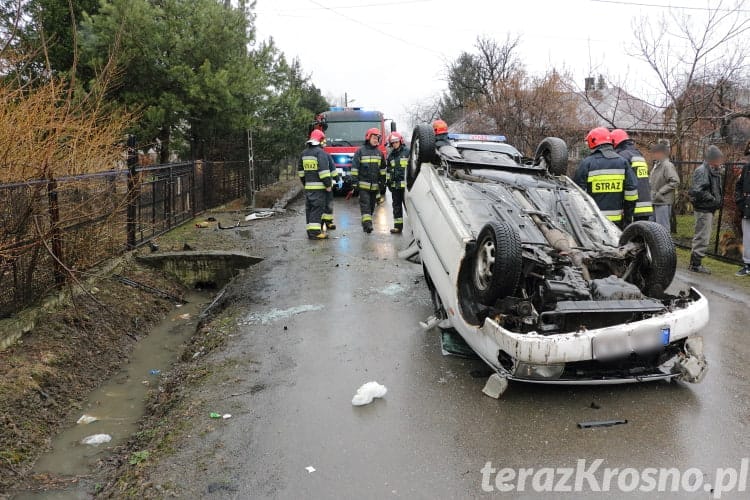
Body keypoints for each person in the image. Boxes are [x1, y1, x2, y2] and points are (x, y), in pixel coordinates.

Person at [573, 127, 638, 228]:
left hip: (593, 222)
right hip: (617, 222)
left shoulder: (587, 163)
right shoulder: (623, 162)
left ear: (593, 141)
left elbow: (577, 193)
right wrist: (627, 219)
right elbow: (631, 193)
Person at [688, 145, 724, 274]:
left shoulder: (713, 170)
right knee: (702, 237)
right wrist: (713, 199)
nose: (720, 161)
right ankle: (695, 265)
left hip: (708, 208)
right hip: (704, 209)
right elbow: (697, 190)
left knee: (703, 236)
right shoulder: (703, 170)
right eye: (718, 158)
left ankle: (695, 263)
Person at [612, 129, 653, 221]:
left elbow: (624, 181)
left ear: (615, 142)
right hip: (645, 205)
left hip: (633, 206)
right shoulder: (638, 154)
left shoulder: (622, 156)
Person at [298, 129, 332, 240]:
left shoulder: (304, 153)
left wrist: (306, 183)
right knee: (317, 209)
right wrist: (328, 185)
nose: (324, 142)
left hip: (309, 188)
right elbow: (323, 171)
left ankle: (310, 231)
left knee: (310, 209)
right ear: (319, 140)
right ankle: (315, 233)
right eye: (323, 140)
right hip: (319, 188)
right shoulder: (320, 153)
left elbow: (301, 172)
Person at [351, 127, 386, 233]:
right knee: (365, 205)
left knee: (371, 207)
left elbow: (383, 170)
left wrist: (382, 183)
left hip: (374, 187)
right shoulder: (360, 152)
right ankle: (368, 225)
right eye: (374, 137)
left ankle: (366, 223)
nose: (376, 140)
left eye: (378, 138)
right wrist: (354, 182)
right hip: (363, 186)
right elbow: (355, 168)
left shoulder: (380, 153)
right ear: (368, 137)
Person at [649, 142, 679, 232]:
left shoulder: (667, 165)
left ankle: (665, 246)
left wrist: (660, 192)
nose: (653, 154)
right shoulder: (657, 164)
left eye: (655, 152)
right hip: (655, 201)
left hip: (663, 202)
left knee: (663, 229)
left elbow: (675, 181)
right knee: (653, 229)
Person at [386, 131, 409, 234]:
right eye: (393, 142)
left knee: (409, 208)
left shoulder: (407, 152)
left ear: (400, 141)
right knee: (396, 206)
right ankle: (398, 227)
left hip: (407, 187)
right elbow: (388, 171)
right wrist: (388, 182)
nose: (394, 144)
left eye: (396, 142)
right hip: (395, 187)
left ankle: (416, 229)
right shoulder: (390, 156)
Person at [734, 141, 750, 277]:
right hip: (747, 207)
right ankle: (747, 265)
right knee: (748, 238)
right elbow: (738, 186)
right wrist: (740, 201)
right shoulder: (746, 168)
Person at [322, 149, 339, 231]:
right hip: (320, 186)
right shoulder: (317, 156)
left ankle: (328, 222)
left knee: (329, 204)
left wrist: (338, 179)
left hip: (327, 186)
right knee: (319, 206)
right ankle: (320, 223)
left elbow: (333, 169)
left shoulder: (327, 155)